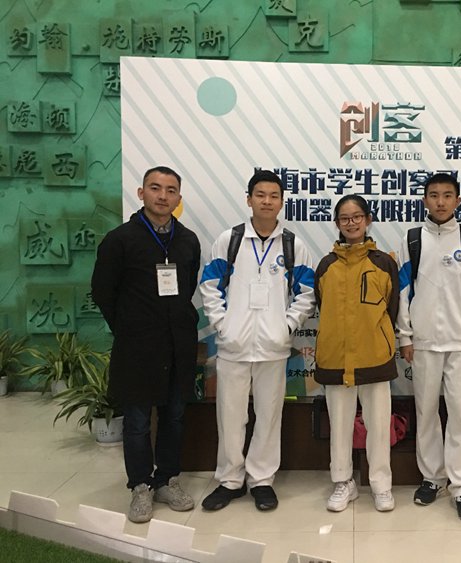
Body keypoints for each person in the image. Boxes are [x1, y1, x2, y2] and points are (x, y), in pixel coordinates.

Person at [199, 170, 315, 512]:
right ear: (249, 199)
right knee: (230, 417)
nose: (267, 201)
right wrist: (223, 326)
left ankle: (262, 480)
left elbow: (306, 293)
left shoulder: (293, 245)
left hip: (273, 349)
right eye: (260, 195)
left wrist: (286, 327)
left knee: (268, 416)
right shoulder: (230, 240)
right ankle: (230, 480)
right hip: (233, 347)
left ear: (282, 202)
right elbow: (209, 287)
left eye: (274, 195)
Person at [91, 165, 200, 523]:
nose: (162, 196)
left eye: (170, 190)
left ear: (178, 198)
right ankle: (140, 485)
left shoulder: (187, 240)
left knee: (174, 416)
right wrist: (127, 327)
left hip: (178, 345)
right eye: (155, 188)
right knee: (137, 421)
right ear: (141, 193)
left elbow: (188, 286)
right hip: (137, 347)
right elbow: (103, 291)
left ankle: (167, 480)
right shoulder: (120, 240)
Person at [397, 173, 461, 521]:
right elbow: (403, 291)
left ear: (458, 200)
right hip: (423, 344)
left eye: (447, 195)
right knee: (425, 412)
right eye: (434, 195)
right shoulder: (413, 239)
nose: (440, 201)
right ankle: (432, 478)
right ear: (424, 199)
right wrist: (405, 336)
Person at [314, 195, 399, 513]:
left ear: (368, 220)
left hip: (374, 356)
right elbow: (322, 306)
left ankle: (381, 484)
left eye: (357, 216)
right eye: (344, 218)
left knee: (379, 425)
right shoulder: (326, 266)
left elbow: (392, 309)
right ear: (337, 223)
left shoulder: (384, 263)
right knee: (339, 425)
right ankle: (343, 482)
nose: (351, 223)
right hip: (335, 358)